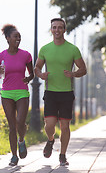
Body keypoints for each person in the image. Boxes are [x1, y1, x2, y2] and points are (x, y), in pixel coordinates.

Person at [34, 18, 87, 166]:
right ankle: (50, 140)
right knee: (49, 125)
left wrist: (74, 74)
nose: (57, 30)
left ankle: (62, 155)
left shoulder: (72, 49)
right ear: (51, 30)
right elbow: (37, 67)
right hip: (50, 92)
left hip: (66, 93)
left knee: (65, 126)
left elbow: (83, 69)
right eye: (54, 27)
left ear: (64, 30)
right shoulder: (45, 49)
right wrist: (40, 75)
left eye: (60, 27)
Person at [0, 24, 34, 166]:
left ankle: (21, 140)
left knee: (20, 121)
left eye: (19, 36)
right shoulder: (0, 56)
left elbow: (31, 73)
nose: (18, 38)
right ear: (8, 38)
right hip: (7, 93)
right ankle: (14, 156)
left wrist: (28, 78)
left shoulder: (26, 55)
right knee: (12, 125)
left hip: (22, 92)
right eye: (15, 36)